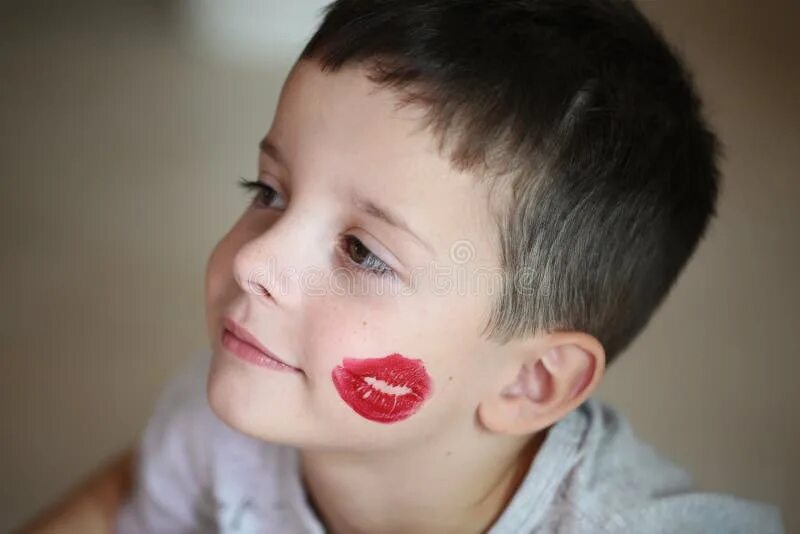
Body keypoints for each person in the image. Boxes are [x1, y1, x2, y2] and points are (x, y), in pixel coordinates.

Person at [25, 1, 786, 532]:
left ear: (529, 382)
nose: (255, 257)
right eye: (269, 189)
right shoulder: (229, 413)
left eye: (363, 251)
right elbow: (130, 497)